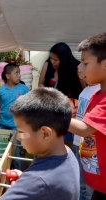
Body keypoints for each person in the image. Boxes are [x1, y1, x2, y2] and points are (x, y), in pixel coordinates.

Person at [0, 87, 79, 200]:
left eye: (21, 132)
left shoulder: (37, 181)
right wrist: (24, 179)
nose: (18, 137)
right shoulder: (66, 152)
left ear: (45, 134)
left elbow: (41, 183)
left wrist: (28, 185)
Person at [68, 32, 106, 199]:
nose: (80, 68)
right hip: (97, 183)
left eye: (85, 63)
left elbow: (83, 129)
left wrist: (48, 112)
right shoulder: (95, 94)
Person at [38, 42, 83, 148]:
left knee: (66, 141)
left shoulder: (76, 68)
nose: (52, 62)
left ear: (64, 59)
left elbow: (84, 90)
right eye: (51, 58)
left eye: (56, 60)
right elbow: (41, 83)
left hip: (70, 112)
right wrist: (47, 93)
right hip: (52, 109)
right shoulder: (48, 64)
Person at [73, 63, 98, 200]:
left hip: (90, 146)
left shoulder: (99, 91)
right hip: (79, 142)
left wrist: (56, 115)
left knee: (89, 186)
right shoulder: (87, 89)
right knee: (81, 182)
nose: (80, 67)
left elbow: (87, 127)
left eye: (86, 63)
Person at [0, 63, 29, 130]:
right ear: (8, 76)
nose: (19, 75)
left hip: (17, 125)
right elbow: (1, 104)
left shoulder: (24, 89)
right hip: (2, 123)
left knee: (15, 140)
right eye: (16, 73)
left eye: (19, 73)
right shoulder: (1, 90)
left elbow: (28, 105)